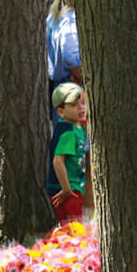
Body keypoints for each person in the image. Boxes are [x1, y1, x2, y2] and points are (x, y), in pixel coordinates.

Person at [50, 82, 90, 222]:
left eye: (82, 103)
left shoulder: (75, 125)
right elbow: (58, 161)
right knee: (74, 231)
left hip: (73, 188)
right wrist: (66, 189)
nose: (81, 108)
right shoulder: (68, 133)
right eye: (74, 105)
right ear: (61, 112)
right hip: (68, 192)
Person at [46, 0, 82, 84]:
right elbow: (70, 57)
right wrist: (82, 78)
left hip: (59, 84)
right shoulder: (71, 18)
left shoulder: (55, 16)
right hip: (72, 87)